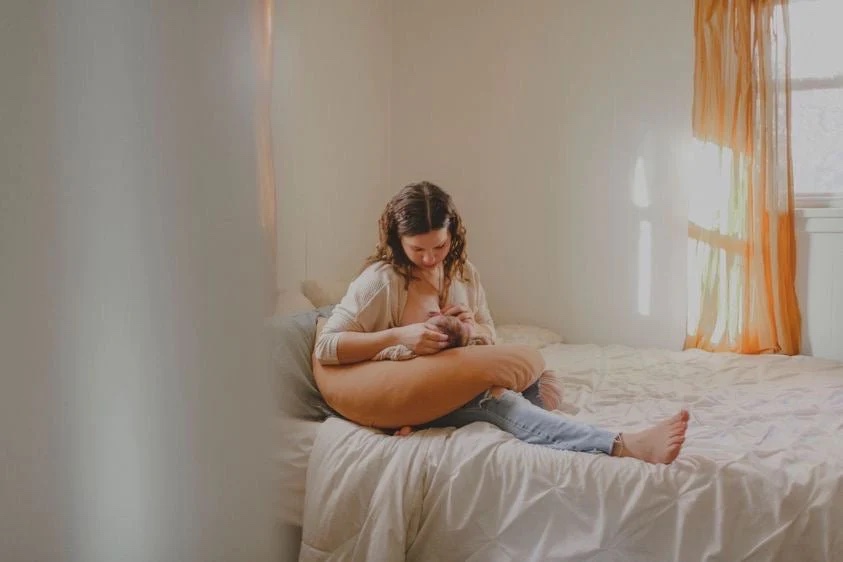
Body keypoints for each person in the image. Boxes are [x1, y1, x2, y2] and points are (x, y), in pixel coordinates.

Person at [315, 181, 688, 464]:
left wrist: (471, 330)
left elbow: (490, 335)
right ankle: (622, 444)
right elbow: (327, 346)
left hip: (459, 377)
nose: (430, 258)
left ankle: (443, 422)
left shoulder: (464, 274)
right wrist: (403, 336)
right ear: (398, 242)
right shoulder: (381, 281)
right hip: (419, 387)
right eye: (418, 250)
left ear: (453, 234)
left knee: (546, 385)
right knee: (501, 401)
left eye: (439, 246)